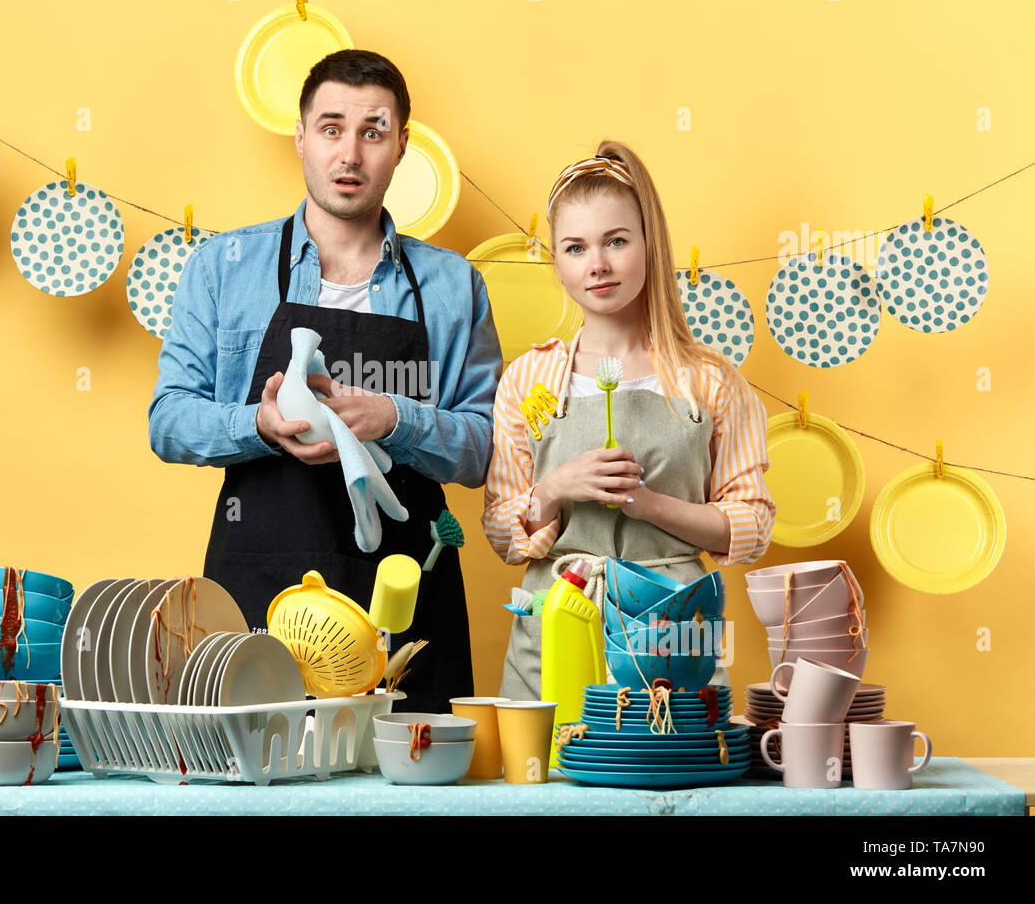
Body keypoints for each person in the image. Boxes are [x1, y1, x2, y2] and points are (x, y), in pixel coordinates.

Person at [149, 50, 502, 712]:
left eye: (374, 131)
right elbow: (167, 421)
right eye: (332, 128)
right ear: (301, 139)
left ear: (402, 146)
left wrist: (394, 418)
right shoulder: (224, 267)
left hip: (405, 602)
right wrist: (256, 425)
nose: (351, 154)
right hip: (259, 584)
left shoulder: (453, 285)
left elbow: (484, 449)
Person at [482, 139, 776, 700]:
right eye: (575, 247)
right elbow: (501, 530)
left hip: (672, 636)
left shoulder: (710, 381)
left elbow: (753, 528)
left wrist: (649, 504)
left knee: (667, 780)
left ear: (649, 245)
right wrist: (556, 488)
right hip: (553, 629)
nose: (597, 264)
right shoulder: (527, 380)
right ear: (557, 261)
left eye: (616, 241)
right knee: (546, 780)